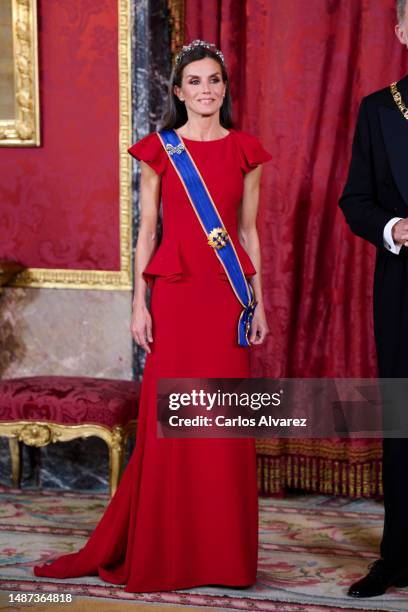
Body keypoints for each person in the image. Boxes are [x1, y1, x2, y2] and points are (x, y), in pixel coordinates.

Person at [33, 40, 272, 592]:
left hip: (227, 298)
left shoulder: (246, 150)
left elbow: (250, 232)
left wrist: (259, 301)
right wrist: (138, 302)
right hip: (177, 294)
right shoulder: (160, 151)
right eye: (195, 81)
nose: (207, 90)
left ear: (225, 88)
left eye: (215, 80)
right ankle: (166, 550)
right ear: (178, 89)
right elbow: (146, 232)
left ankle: (223, 557)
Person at [339, 1, 408, 598]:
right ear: (402, 31)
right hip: (402, 286)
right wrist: (395, 229)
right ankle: (398, 556)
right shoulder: (378, 110)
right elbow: (354, 201)